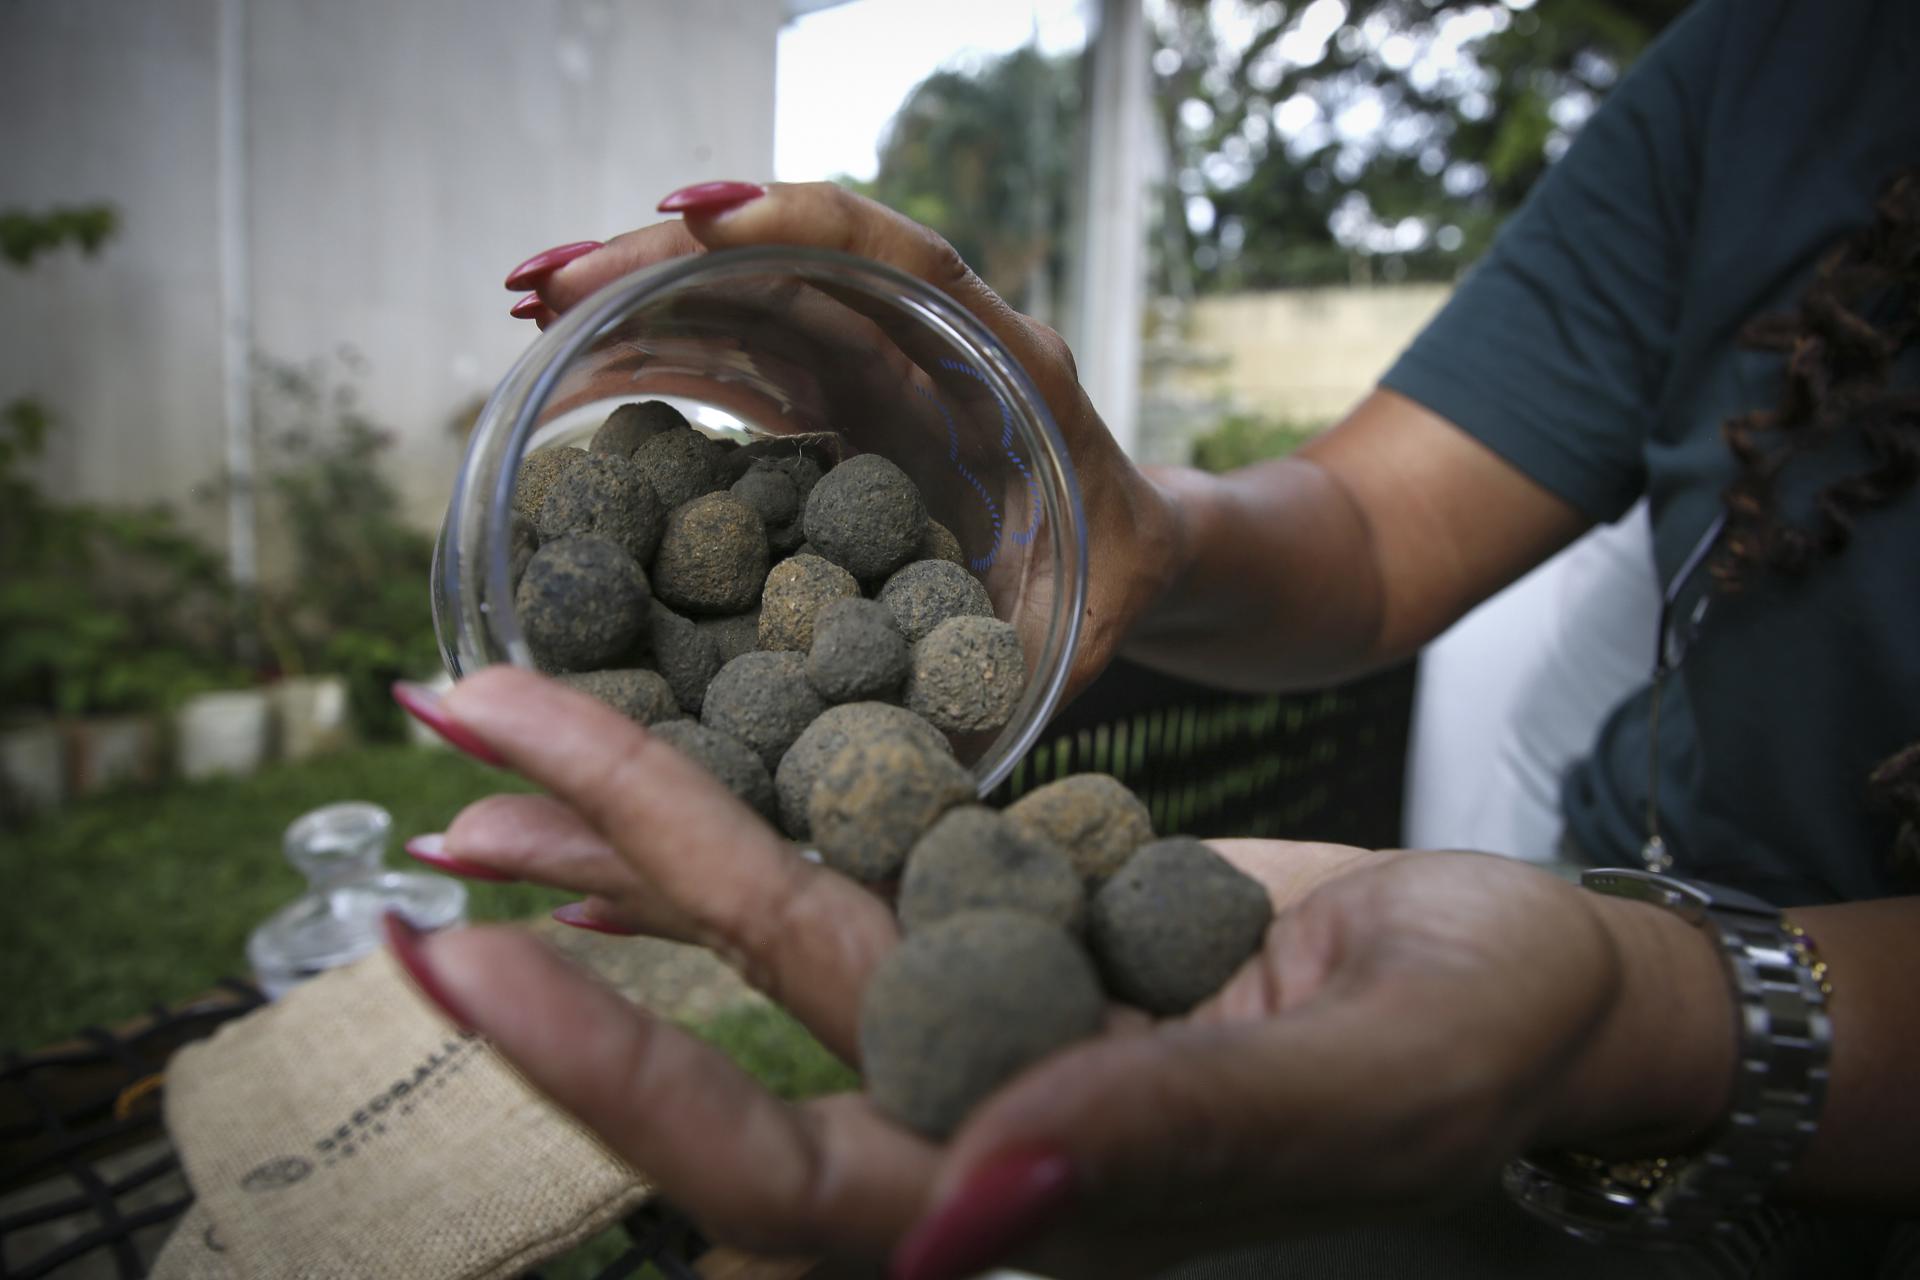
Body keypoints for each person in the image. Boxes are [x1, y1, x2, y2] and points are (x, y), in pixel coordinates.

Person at [387, 0, 1919, 1275]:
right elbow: (1376, 538)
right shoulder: (1781, 60)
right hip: (1603, 947)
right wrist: (1141, 519)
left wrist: (1656, 1007)